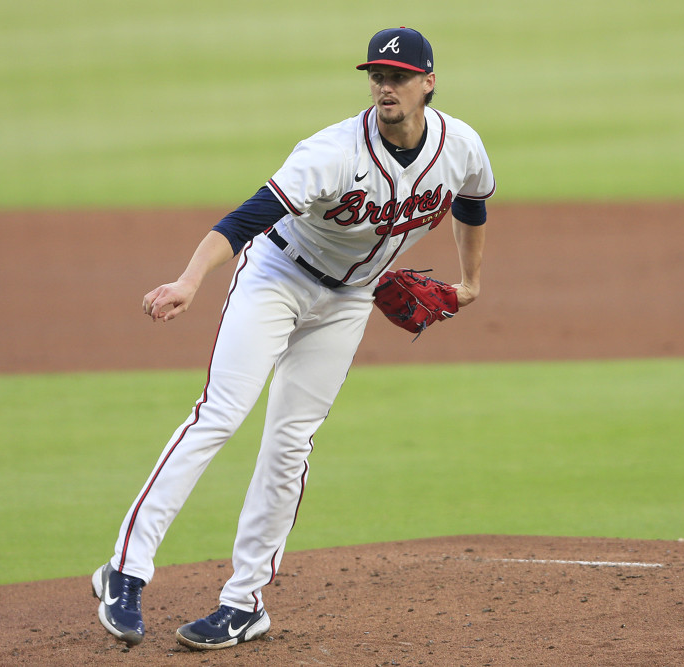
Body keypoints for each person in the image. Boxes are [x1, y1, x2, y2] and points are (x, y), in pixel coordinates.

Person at [91, 26, 495, 651]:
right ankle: (126, 570)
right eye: (376, 76)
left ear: (428, 82)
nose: (385, 86)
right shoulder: (332, 151)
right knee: (218, 416)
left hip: (351, 300)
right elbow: (247, 216)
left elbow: (472, 205)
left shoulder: (460, 145)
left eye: (398, 76)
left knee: (290, 443)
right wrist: (189, 280)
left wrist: (469, 284)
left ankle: (244, 603)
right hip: (277, 278)